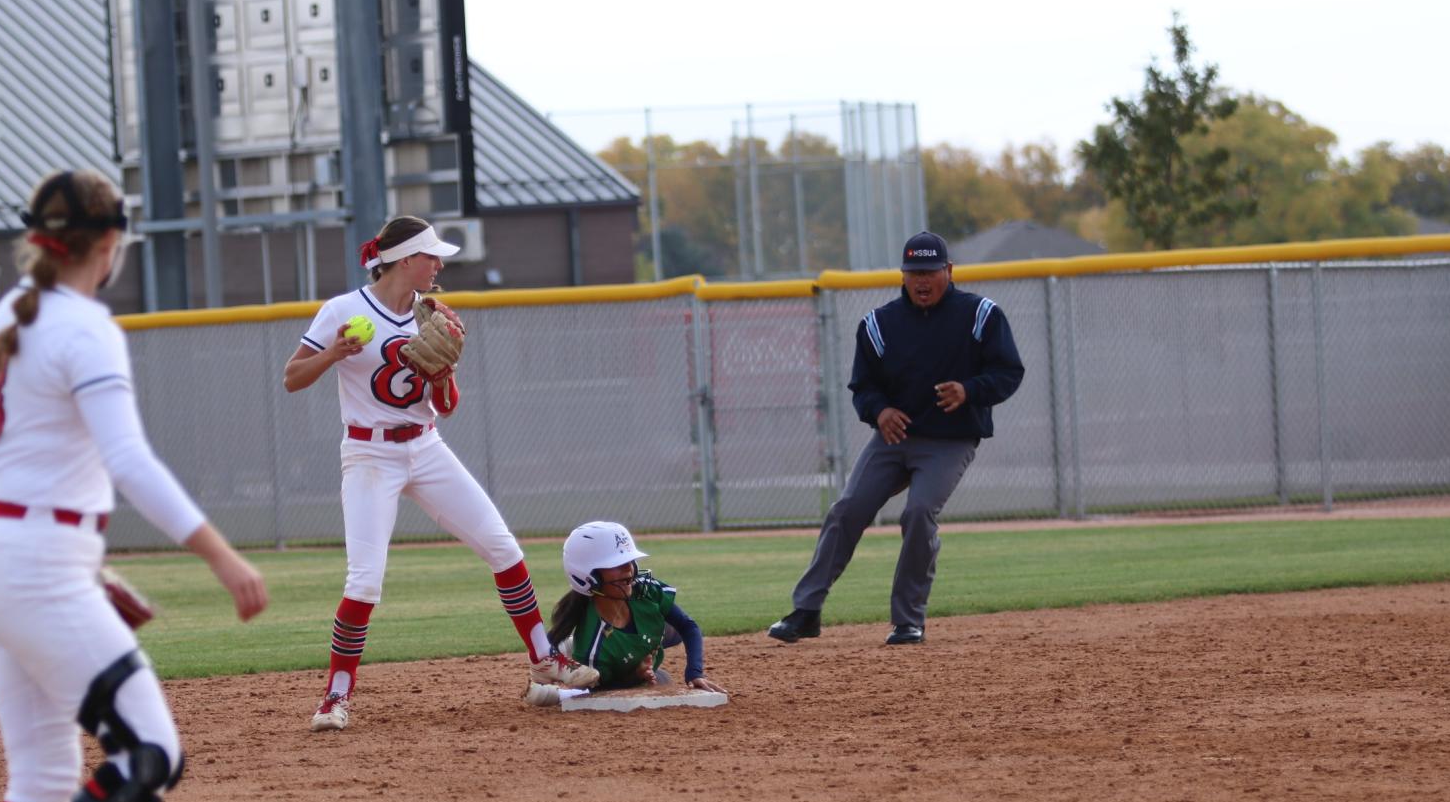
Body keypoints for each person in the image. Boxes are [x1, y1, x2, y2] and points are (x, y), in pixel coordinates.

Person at [0, 169, 268, 802]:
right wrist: (222, 556)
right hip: (36, 565)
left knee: (45, 778)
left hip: (4, 556)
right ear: (111, 243)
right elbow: (126, 461)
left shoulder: (12, 314)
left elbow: (36, 459)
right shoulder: (83, 327)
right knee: (150, 753)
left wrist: (76, 563)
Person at [284, 216, 598, 731]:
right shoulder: (343, 311)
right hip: (368, 455)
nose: (439, 265)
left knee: (503, 548)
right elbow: (292, 377)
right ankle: (335, 696)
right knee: (364, 583)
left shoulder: (432, 315)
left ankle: (545, 658)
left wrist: (443, 374)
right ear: (404, 260)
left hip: (425, 448)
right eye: (431, 256)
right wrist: (335, 353)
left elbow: (445, 406)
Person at [768, 231, 1024, 646]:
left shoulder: (980, 315)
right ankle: (807, 610)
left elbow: (1009, 371)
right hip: (895, 437)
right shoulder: (879, 324)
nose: (922, 280)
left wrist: (970, 390)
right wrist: (879, 411)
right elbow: (862, 387)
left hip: (949, 439)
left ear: (949, 271)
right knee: (847, 509)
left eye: (930, 271)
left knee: (918, 511)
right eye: (913, 272)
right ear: (902, 275)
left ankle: (908, 620)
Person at [531, 520, 725, 705]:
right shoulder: (593, 647)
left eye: (630, 561)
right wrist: (635, 675)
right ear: (587, 576)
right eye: (616, 564)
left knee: (672, 636)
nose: (629, 570)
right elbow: (604, 693)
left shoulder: (643, 589)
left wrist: (695, 673)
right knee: (653, 682)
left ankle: (566, 646)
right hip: (614, 660)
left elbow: (688, 626)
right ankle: (560, 693)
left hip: (650, 636)